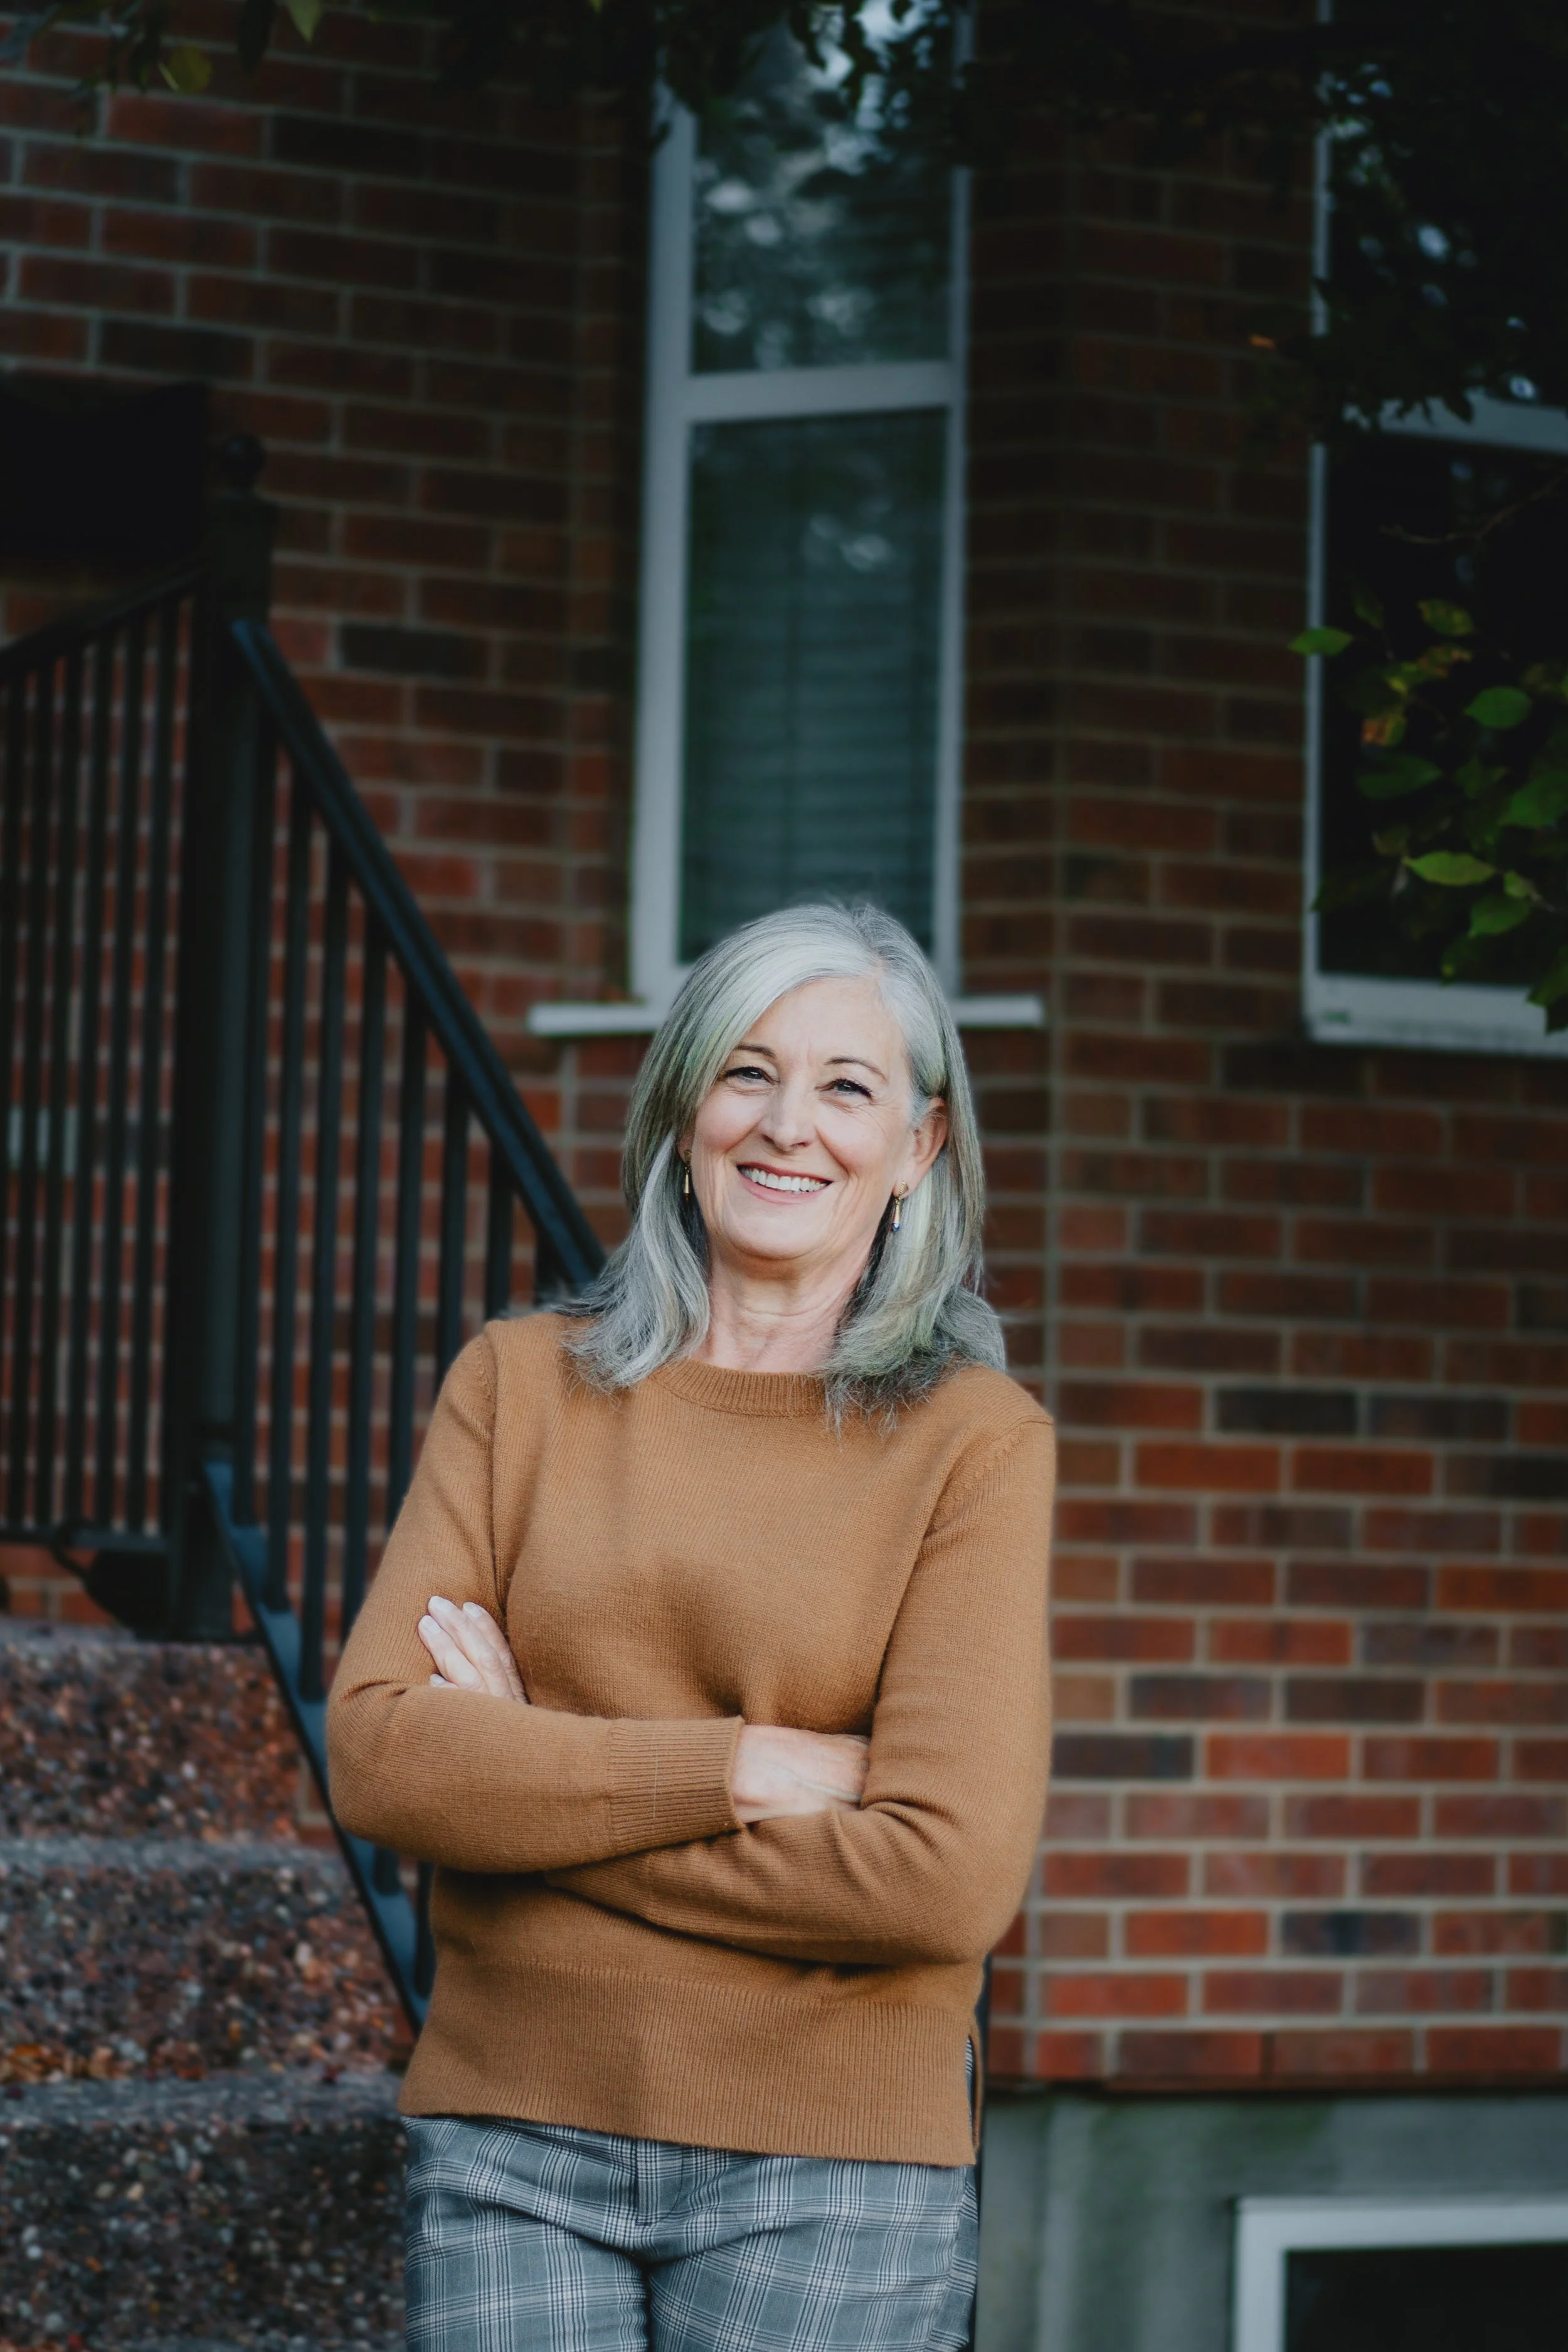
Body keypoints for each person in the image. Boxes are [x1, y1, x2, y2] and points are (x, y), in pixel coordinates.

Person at [327, 901, 1055, 2352]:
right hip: (511, 2135)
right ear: (680, 1111)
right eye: (745, 1071)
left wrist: (533, 1780)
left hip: (835, 2171)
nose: (787, 1124)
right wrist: (742, 1769)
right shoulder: (518, 1387)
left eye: (846, 1087)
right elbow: (383, 1761)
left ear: (916, 1150)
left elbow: (938, 1881)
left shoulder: (970, 1442)